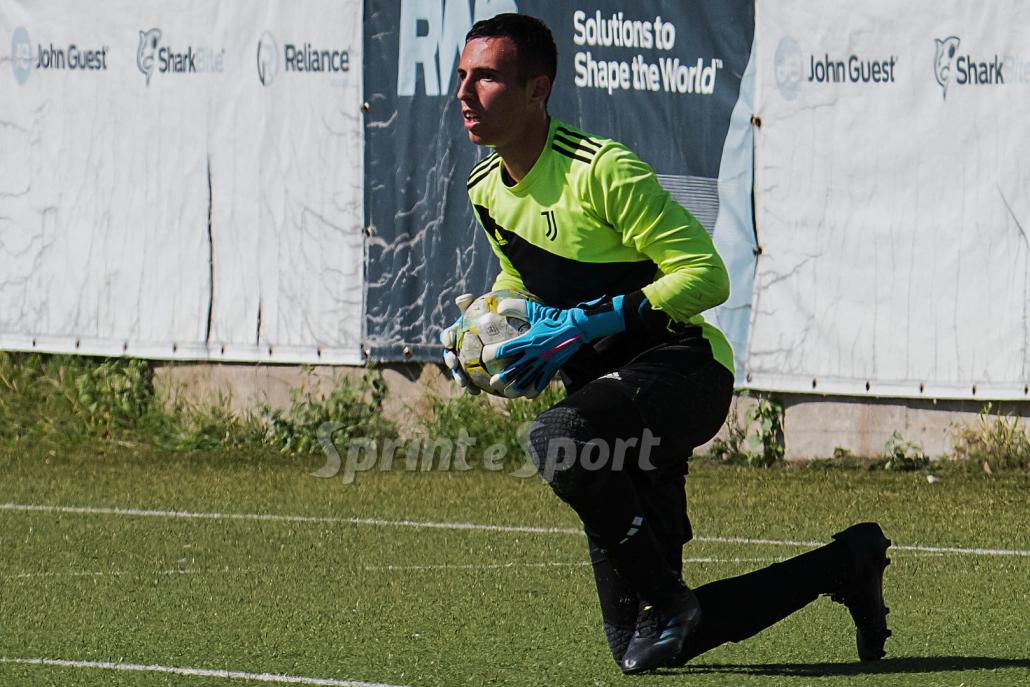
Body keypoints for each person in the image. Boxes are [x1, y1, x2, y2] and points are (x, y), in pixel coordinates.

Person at [440, 13, 891, 675]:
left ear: (537, 89)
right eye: (462, 76)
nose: (464, 92)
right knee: (642, 647)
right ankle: (847, 562)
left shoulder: (602, 171)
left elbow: (707, 275)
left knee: (555, 437)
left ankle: (672, 599)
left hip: (682, 370)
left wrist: (586, 323)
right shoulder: (485, 189)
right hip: (603, 405)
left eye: (486, 77)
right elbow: (521, 278)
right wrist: (485, 327)